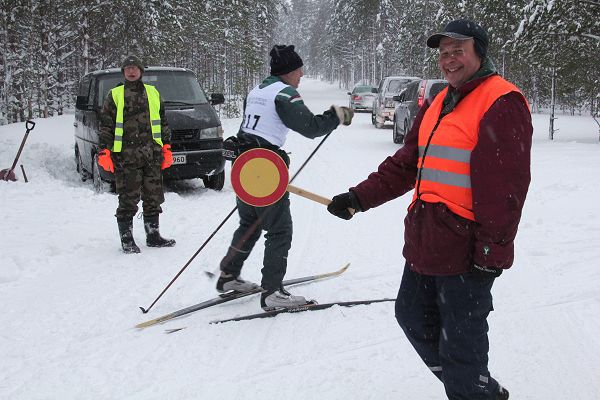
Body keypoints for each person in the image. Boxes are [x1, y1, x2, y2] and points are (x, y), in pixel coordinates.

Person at [327, 19, 532, 400]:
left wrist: (492, 251)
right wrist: (358, 198)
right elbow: (407, 163)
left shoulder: (501, 101)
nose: (449, 59)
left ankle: (471, 388)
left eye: (458, 50)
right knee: (412, 319)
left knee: (461, 352)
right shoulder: (440, 101)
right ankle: (478, 390)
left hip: (468, 253)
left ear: (479, 52)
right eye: (443, 52)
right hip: (427, 242)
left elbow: (507, 190)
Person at [218, 44, 354, 310]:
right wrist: (336, 116)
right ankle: (272, 292)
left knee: (250, 224)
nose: (301, 74)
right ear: (287, 71)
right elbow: (311, 128)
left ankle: (228, 276)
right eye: (298, 70)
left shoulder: (258, 90)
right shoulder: (284, 93)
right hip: (264, 170)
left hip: (245, 165)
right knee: (280, 229)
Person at [98, 55, 176, 254]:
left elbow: (163, 121)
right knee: (128, 199)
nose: (131, 71)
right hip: (126, 157)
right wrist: (105, 151)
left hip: (152, 155)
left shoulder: (153, 92)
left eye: (135, 68)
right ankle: (127, 240)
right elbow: (106, 125)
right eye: (128, 68)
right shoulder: (115, 94)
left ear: (141, 71)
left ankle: (153, 236)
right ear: (123, 72)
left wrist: (166, 147)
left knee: (153, 197)